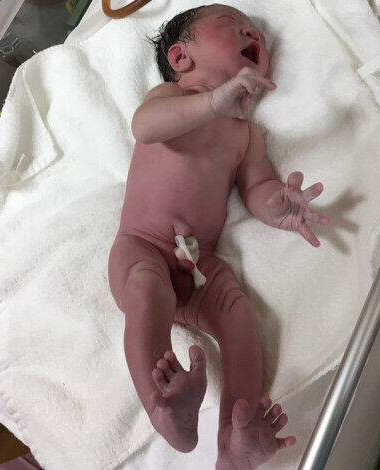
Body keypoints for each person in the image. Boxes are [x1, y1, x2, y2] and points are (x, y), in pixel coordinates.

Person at [108, 4, 331, 468]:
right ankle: (163, 407)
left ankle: (235, 436)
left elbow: (257, 186)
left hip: (198, 262)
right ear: (181, 57)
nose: (253, 33)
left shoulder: (246, 134)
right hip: (141, 246)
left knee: (238, 314)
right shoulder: (169, 96)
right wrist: (212, 102)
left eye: (258, 35)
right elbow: (144, 127)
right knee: (147, 290)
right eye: (232, 25)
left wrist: (278, 206)